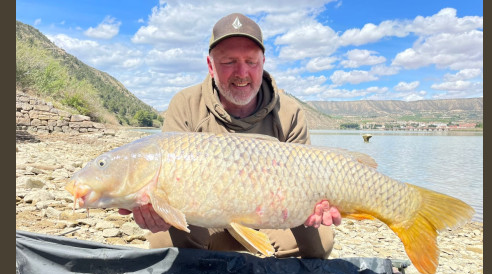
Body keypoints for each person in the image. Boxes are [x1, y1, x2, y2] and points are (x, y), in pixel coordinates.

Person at [120, 13, 342, 258]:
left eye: (251, 62)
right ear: (210, 65)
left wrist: (319, 206)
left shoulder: (289, 112)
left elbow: (308, 184)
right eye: (228, 62)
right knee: (163, 236)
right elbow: (165, 185)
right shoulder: (185, 104)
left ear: (263, 62)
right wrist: (155, 209)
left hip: (271, 221)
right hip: (208, 225)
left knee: (321, 235)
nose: (241, 73)